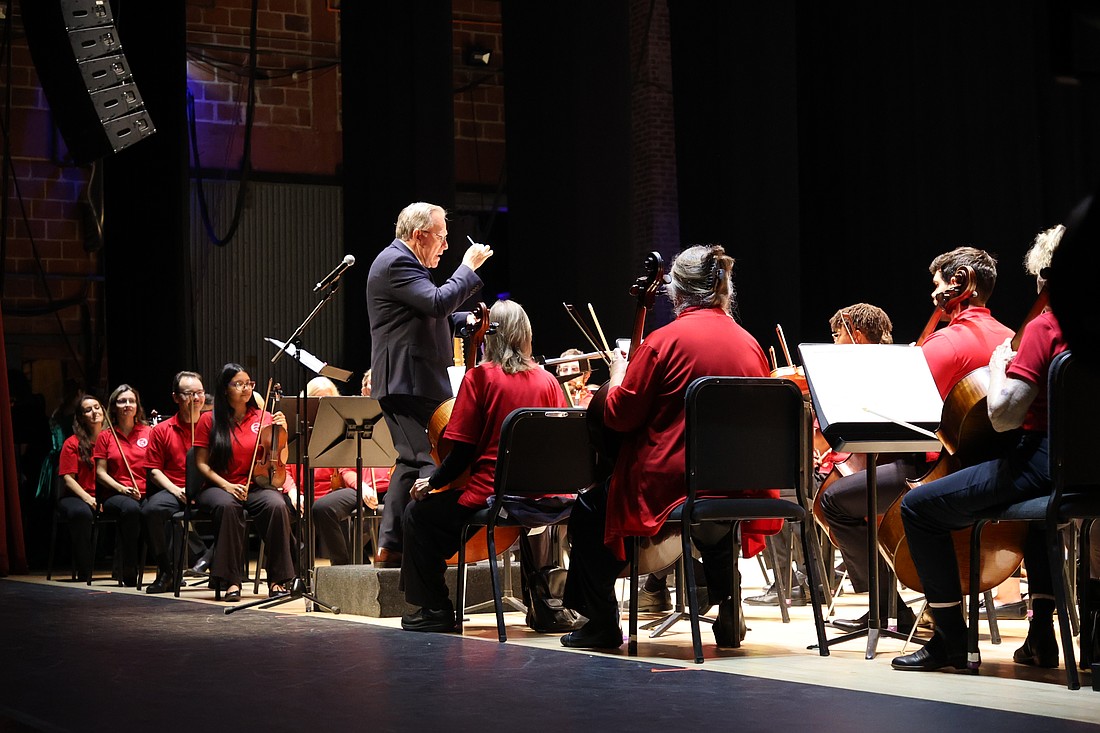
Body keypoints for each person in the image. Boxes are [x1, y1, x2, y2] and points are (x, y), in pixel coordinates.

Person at [560, 244, 778, 650]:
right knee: (715, 514)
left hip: (674, 481)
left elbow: (619, 416)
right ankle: (729, 605)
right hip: (740, 482)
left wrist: (619, 373)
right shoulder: (749, 344)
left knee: (589, 508)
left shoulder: (664, 342)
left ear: (676, 292)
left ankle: (602, 623)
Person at [892, 225, 1067, 672]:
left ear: (1046, 276)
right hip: (1082, 473)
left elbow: (1004, 416)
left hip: (1040, 462)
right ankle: (1042, 634)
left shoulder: (1045, 327)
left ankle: (951, 640)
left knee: (917, 507)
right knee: (1041, 517)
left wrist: (999, 366)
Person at [819, 247, 1014, 633]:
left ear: (957, 284)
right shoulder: (1010, 338)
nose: (933, 293)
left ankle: (887, 606)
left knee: (832, 502)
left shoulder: (944, 344)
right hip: (999, 471)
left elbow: (903, 412)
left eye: (937, 283)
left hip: (936, 470)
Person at [399, 299, 568, 633]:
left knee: (418, 515)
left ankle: (436, 609)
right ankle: (545, 605)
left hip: (494, 496)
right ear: (525, 334)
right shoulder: (548, 381)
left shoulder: (480, 378)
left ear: (491, 335)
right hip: (544, 498)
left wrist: (432, 482)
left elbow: (461, 452)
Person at [365, 201, 492, 568]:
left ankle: (391, 546)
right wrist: (467, 268)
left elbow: (430, 316)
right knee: (429, 460)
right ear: (419, 235)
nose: (446, 245)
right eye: (441, 237)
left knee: (410, 460)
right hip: (408, 380)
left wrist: (465, 320)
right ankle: (427, 546)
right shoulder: (397, 262)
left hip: (411, 379)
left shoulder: (406, 263)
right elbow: (436, 304)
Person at [747, 302, 896, 608]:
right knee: (796, 483)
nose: (834, 343)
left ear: (856, 334)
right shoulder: (890, 366)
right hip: (864, 471)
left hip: (857, 476)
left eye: (837, 335)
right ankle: (809, 578)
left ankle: (800, 581)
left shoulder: (857, 374)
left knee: (778, 490)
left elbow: (829, 438)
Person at [193, 364, 297, 602]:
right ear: (225, 389)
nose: (246, 388)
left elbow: (279, 458)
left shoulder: (265, 418)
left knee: (276, 505)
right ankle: (231, 580)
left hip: (256, 485)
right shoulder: (209, 420)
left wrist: (283, 431)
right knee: (228, 507)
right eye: (238, 384)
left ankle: (278, 580)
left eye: (249, 383)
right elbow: (201, 464)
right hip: (219, 487)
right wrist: (227, 486)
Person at [285, 376, 380, 566]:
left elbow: (346, 468)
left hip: (333, 491)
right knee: (275, 510)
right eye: (317, 400)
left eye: (327, 401)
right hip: (301, 493)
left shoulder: (340, 427)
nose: (322, 406)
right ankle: (293, 568)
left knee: (326, 508)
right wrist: (293, 492)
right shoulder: (296, 427)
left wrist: (361, 486)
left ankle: (343, 567)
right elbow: (285, 467)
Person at [141, 371, 208, 594]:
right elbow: (154, 471)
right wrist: (176, 490)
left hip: (206, 490)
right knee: (151, 510)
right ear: (176, 397)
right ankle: (167, 572)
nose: (195, 398)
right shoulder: (162, 430)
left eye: (199, 393)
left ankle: (219, 568)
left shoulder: (213, 427)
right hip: (175, 489)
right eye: (189, 393)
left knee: (232, 508)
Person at [93, 384, 152, 587]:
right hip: (115, 494)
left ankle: (167, 569)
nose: (127, 405)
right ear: (114, 406)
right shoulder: (105, 436)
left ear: (137, 406)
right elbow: (100, 473)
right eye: (122, 401)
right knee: (131, 509)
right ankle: (128, 567)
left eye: (131, 401)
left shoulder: (149, 432)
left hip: (145, 491)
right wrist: (122, 489)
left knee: (159, 509)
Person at [56, 395, 104, 582]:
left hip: (103, 495)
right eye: (88, 410)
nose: (94, 412)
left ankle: (124, 569)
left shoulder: (111, 440)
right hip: (76, 496)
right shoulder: (72, 443)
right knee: (81, 513)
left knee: (130, 509)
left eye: (97, 407)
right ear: (81, 417)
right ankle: (85, 569)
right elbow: (68, 479)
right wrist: (88, 498)